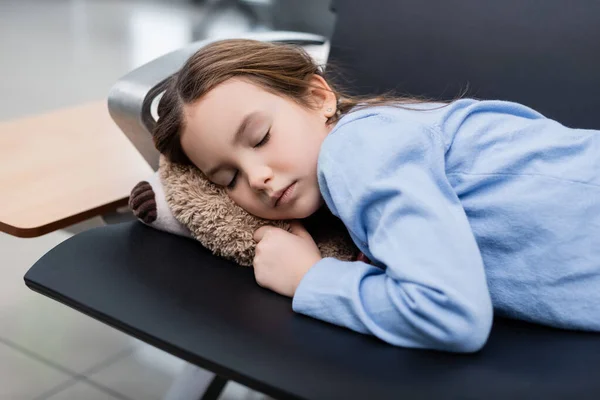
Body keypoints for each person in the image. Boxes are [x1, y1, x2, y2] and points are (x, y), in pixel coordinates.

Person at [152, 39, 600, 353]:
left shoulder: (356, 149)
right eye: (228, 179)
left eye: (261, 136)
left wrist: (309, 279)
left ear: (317, 95)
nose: (257, 178)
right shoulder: (382, 141)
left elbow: (450, 315)